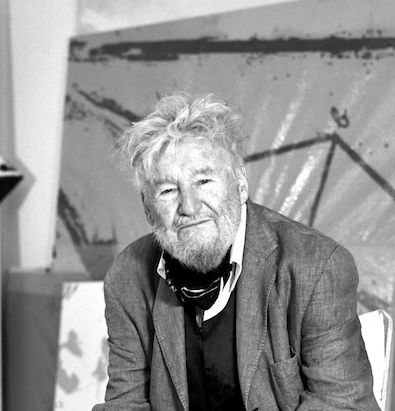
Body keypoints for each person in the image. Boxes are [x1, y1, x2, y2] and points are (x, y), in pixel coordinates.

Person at [94, 92, 379, 410]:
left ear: (240, 182)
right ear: (148, 209)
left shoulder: (317, 266)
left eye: (204, 180)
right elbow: (126, 403)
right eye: (168, 190)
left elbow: (341, 403)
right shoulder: (127, 278)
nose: (189, 207)